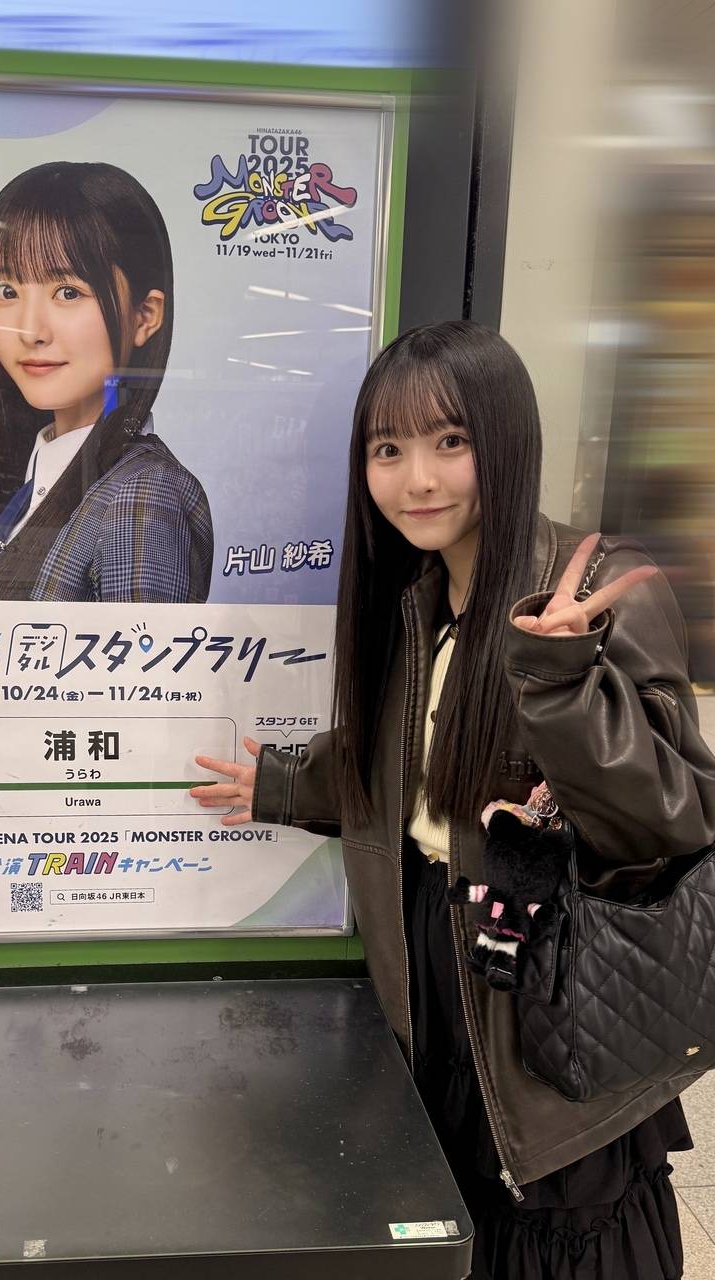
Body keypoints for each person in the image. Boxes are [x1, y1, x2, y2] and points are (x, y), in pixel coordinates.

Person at [191, 320, 715, 1278]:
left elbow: (669, 820)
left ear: (505, 441)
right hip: (435, 946)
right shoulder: (419, 597)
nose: (418, 480)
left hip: (550, 972)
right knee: (459, 1210)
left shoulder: (591, 591)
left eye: (450, 441)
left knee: (554, 1217)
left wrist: (560, 681)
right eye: (388, 449)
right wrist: (285, 782)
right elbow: (413, 762)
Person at [0, 161, 213, 602]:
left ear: (145, 316)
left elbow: (137, 651)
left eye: (68, 292)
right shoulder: (25, 486)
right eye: (6, 291)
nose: (30, 331)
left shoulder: (141, 496)